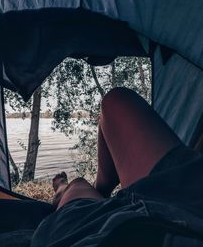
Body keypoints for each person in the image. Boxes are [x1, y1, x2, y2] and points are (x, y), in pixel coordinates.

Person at [31, 87, 203, 247]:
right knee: (116, 101)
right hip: (188, 202)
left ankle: (65, 188)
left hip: (106, 232)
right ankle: (96, 190)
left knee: (77, 185)